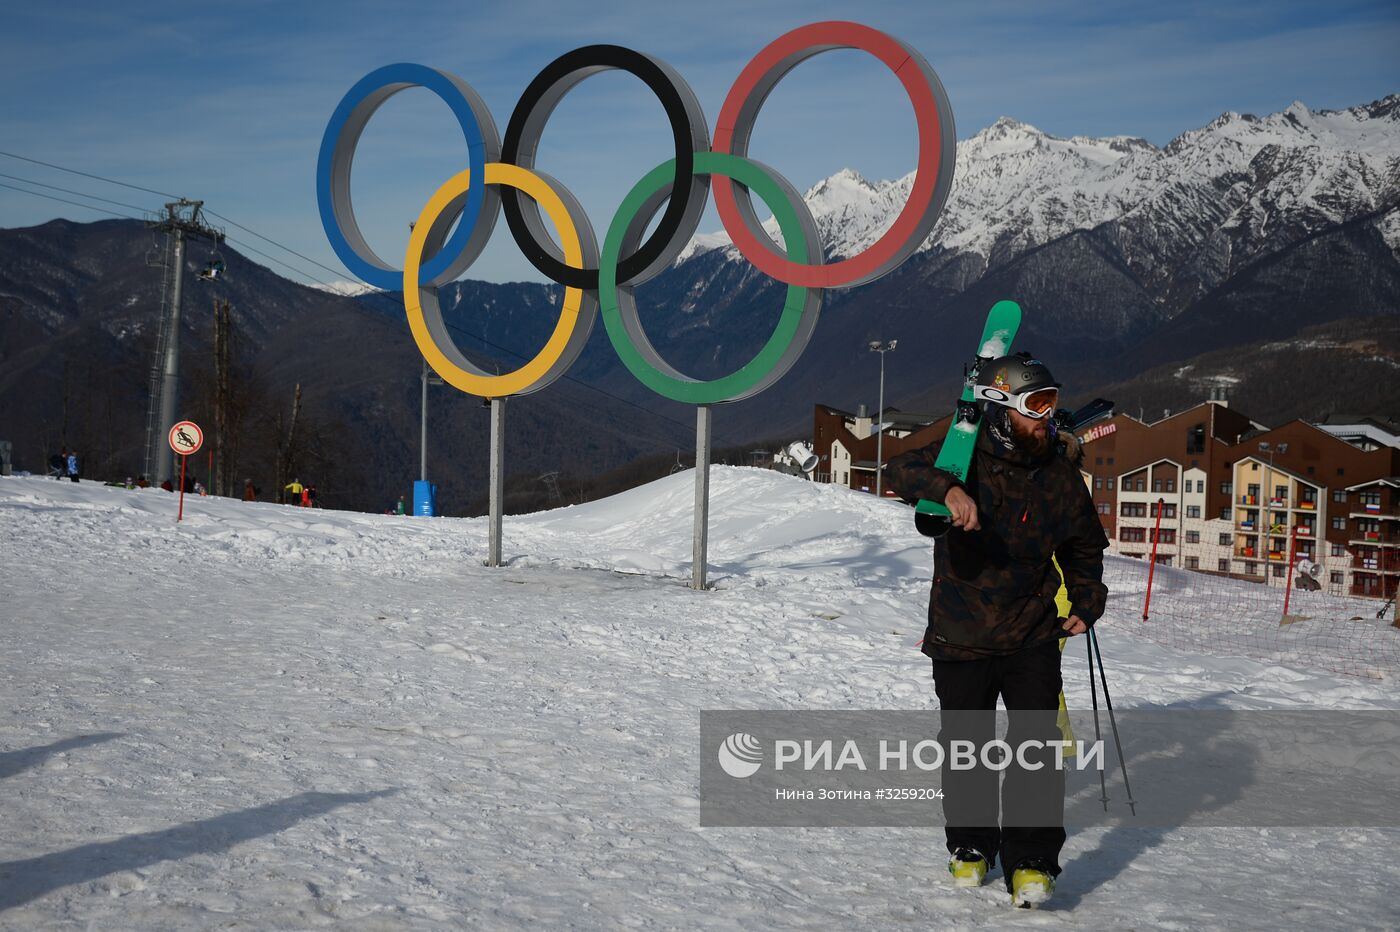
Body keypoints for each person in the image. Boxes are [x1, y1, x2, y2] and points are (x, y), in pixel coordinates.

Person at [885, 352, 1108, 909]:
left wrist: (1086, 598)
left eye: (1052, 402)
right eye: (1036, 405)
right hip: (961, 633)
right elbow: (899, 469)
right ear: (1003, 409)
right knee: (967, 749)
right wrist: (947, 489)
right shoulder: (964, 457)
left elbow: (1084, 546)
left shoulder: (1058, 473)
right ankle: (970, 846)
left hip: (1032, 631)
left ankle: (1031, 860)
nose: (1047, 417)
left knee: (1036, 749)